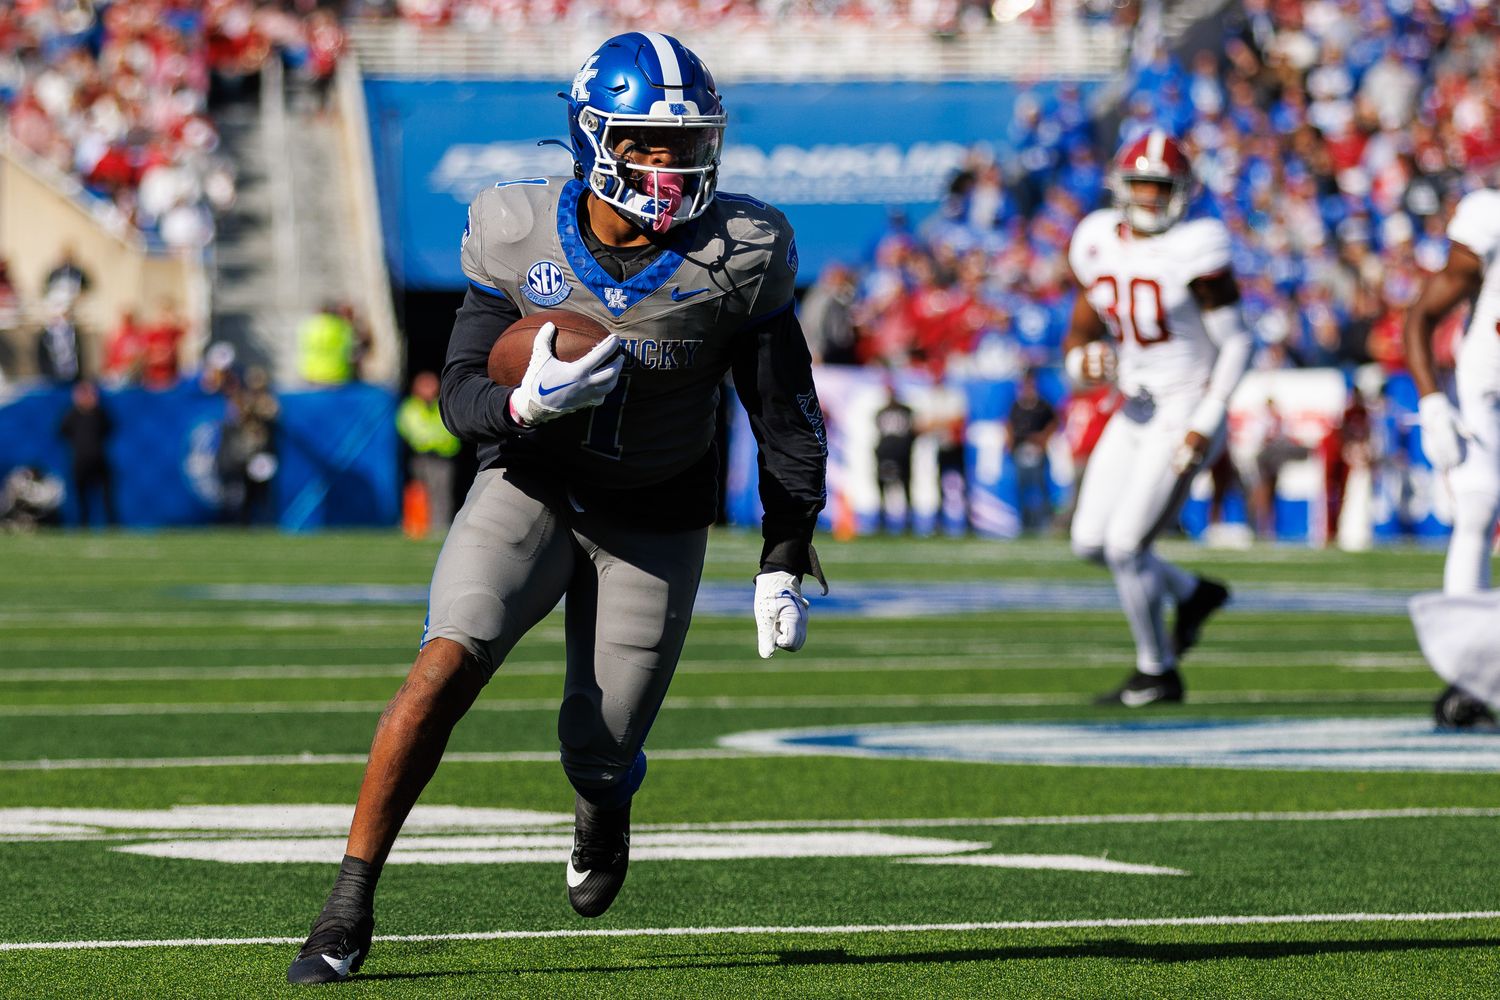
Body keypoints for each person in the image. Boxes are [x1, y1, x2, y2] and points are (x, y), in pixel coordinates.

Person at [286, 32, 828, 985]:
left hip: (654, 521)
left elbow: (781, 411)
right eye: (648, 143)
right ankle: (347, 903)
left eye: (688, 142)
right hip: (530, 484)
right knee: (442, 668)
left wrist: (785, 549)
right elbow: (458, 388)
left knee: (599, 743)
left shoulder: (742, 253)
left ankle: (605, 798)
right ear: (592, 138)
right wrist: (520, 405)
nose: (673, 165)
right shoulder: (515, 228)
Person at [1063, 130, 1252, 706]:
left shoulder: (1197, 246)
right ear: (1121, 187)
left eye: (1160, 185)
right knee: (1089, 542)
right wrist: (1082, 363)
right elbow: (1080, 334)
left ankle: (1156, 670)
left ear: (1181, 192)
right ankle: (1193, 594)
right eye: (1141, 184)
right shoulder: (1095, 240)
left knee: (1126, 546)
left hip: (1187, 405)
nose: (1149, 196)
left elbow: (1238, 344)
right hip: (1134, 405)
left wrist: (1208, 419)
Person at [1403, 186, 1500, 729]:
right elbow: (1421, 316)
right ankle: (1467, 682)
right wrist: (1433, 403)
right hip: (1487, 392)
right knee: (1477, 510)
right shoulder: (1491, 221)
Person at [395, 370, 461, 532]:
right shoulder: (410, 408)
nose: (429, 390)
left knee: (442, 494)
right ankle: (417, 527)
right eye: (425, 385)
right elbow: (411, 431)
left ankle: (439, 527)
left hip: (442, 458)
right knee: (420, 493)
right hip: (421, 458)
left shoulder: (442, 407)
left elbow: (451, 432)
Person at [1005, 368, 1057, 534]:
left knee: (1040, 487)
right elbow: (1009, 424)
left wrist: (1043, 438)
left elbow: (1054, 421)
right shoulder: (1016, 405)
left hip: (1036, 450)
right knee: (1022, 488)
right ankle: (1024, 523)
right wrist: (1010, 441)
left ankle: (1044, 524)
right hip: (1020, 449)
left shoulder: (1042, 405)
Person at [57, 381, 115, 527]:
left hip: (98, 459)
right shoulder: (72, 415)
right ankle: (83, 524)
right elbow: (62, 431)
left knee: (106, 494)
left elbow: (108, 429)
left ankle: (111, 523)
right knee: (81, 495)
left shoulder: (99, 413)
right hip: (80, 460)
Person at [873, 379, 916, 533]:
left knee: (904, 483)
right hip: (888, 451)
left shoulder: (905, 410)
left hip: (899, 451)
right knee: (884, 483)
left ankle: (907, 519)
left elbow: (912, 430)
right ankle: (883, 518)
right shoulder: (883, 411)